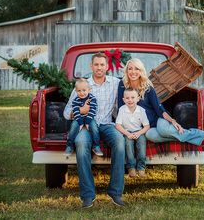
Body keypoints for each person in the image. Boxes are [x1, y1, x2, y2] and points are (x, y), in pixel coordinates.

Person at [63, 52, 125, 208]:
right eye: (96, 64)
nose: (99, 68)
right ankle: (88, 195)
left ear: (107, 66)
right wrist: (80, 112)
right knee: (81, 143)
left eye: (102, 64)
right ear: (91, 66)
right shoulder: (83, 84)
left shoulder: (115, 83)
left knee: (119, 141)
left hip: (106, 124)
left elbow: (134, 83)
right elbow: (66, 111)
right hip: (86, 125)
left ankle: (116, 192)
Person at [118, 58, 204, 146]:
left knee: (164, 130)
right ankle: (187, 138)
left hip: (157, 119)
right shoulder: (122, 85)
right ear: (127, 70)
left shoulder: (147, 86)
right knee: (151, 136)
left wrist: (172, 121)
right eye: (130, 69)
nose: (133, 72)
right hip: (146, 127)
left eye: (136, 69)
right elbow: (121, 107)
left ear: (141, 71)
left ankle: (200, 134)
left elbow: (158, 108)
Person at [116, 88, 150, 178]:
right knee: (128, 144)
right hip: (127, 132)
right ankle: (131, 168)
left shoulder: (141, 110)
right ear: (123, 100)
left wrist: (139, 133)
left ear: (138, 98)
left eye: (132, 97)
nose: (130, 100)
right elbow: (118, 125)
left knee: (142, 144)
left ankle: (141, 168)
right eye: (127, 98)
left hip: (139, 131)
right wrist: (127, 134)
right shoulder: (122, 109)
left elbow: (147, 126)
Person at [65, 78, 103, 157]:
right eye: (79, 91)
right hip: (79, 118)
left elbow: (93, 110)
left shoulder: (92, 99)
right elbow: (75, 111)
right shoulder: (75, 100)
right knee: (73, 127)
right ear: (76, 91)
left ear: (89, 90)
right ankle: (69, 145)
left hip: (90, 117)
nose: (82, 93)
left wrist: (88, 121)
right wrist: (80, 121)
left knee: (94, 128)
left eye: (84, 90)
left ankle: (96, 146)